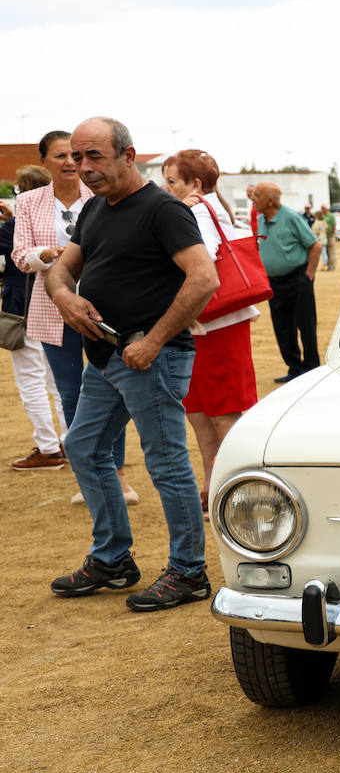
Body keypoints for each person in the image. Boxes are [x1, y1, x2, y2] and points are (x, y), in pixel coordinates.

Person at [45, 117, 218, 610]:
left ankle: (189, 573)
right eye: (77, 157)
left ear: (128, 154)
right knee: (83, 446)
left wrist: (155, 340)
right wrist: (65, 298)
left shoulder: (162, 210)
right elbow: (62, 269)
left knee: (166, 464)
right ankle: (113, 559)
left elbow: (203, 279)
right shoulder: (96, 208)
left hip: (149, 358)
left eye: (95, 156)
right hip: (105, 355)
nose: (83, 167)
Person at [10, 130, 136, 501]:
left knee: (113, 389)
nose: (70, 163)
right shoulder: (30, 201)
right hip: (52, 307)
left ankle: (118, 475)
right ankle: (90, 477)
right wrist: (48, 255)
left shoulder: (101, 195)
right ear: (45, 162)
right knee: (70, 393)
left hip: (104, 306)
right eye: (61, 156)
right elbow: (20, 255)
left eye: (75, 156)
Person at [161, 149, 260, 513]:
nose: (164, 188)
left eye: (171, 181)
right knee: (201, 409)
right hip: (203, 324)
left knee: (223, 410)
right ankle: (213, 485)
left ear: (195, 185)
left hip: (217, 323)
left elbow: (202, 258)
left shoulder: (199, 211)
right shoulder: (198, 209)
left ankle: (239, 487)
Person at [3, 166, 67, 471]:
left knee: (31, 381)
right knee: (58, 382)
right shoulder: (52, 221)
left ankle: (48, 447)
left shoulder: (15, 225)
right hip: (55, 305)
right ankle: (69, 442)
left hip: (23, 308)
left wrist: (8, 221)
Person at [254, 181, 322, 382]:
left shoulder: (291, 217)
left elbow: (315, 246)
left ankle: (311, 370)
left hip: (298, 279)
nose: (253, 200)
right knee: (282, 327)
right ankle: (294, 369)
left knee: (306, 326)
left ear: (270, 201)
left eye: (257, 196)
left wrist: (308, 276)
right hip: (274, 283)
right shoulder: (260, 220)